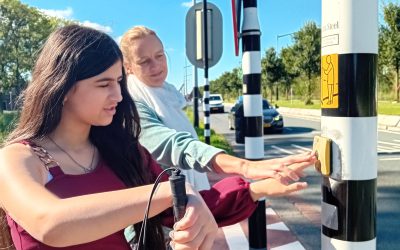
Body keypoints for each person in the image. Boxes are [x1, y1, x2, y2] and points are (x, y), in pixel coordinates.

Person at [0, 24, 315, 250]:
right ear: (63, 86)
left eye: (119, 82)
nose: (119, 96)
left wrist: (257, 188)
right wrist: (173, 191)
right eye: (103, 84)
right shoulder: (19, 157)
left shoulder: (122, 151)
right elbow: (50, 223)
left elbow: (185, 207)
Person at [120, 25, 316, 184]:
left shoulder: (168, 94)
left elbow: (191, 168)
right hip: (160, 220)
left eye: (160, 55)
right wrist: (245, 167)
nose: (156, 66)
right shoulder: (131, 101)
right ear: (128, 67)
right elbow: (171, 146)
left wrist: (248, 176)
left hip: (186, 203)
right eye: (144, 61)